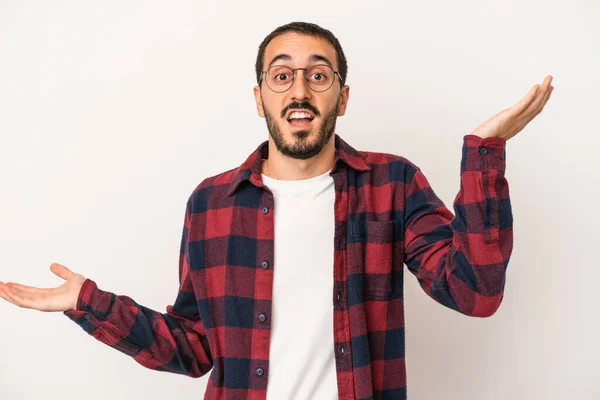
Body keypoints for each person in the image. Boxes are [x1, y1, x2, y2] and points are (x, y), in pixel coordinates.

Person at [0, 21, 553, 400]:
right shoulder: (211, 203)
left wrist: (483, 153)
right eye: (281, 74)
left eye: (319, 74)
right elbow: (196, 349)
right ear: (260, 95)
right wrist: (88, 303)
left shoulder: (393, 183)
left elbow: (476, 293)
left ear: (342, 95)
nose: (300, 89)